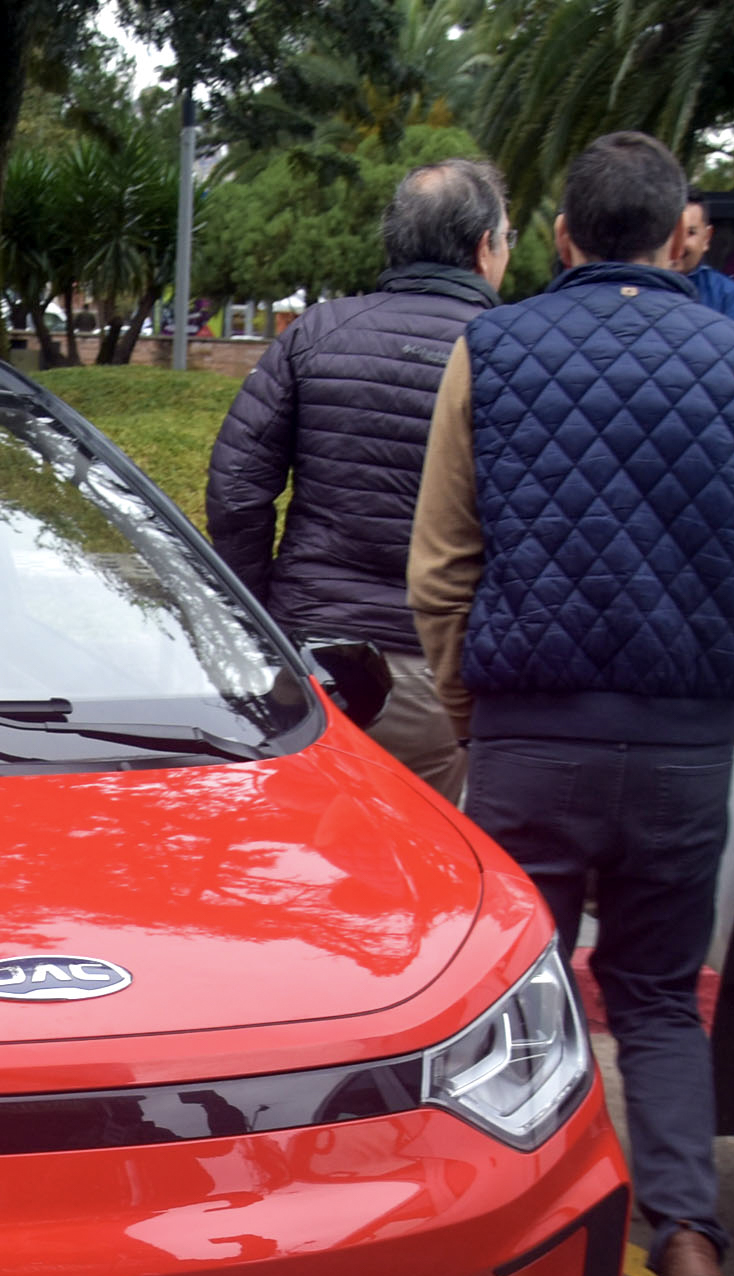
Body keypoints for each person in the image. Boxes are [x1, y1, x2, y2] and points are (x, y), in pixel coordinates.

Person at [408, 131, 734, 1276]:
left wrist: (476, 712)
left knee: (516, 1014)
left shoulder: (493, 351)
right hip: (685, 747)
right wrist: (723, 715)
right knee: (652, 998)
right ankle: (690, 1243)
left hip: (531, 739)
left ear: (560, 234)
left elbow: (442, 568)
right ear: (680, 232)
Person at [205, 160, 513, 802]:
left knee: (300, 839)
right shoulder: (512, 356)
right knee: (417, 850)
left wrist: (261, 614)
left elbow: (237, 487)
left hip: (310, 659)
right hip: (439, 668)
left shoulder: (318, 332)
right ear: (484, 247)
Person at [678, 190, 734, 328]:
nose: (678, 243)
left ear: (707, 237)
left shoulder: (733, 300)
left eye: (690, 233)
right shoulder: (642, 288)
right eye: (672, 232)